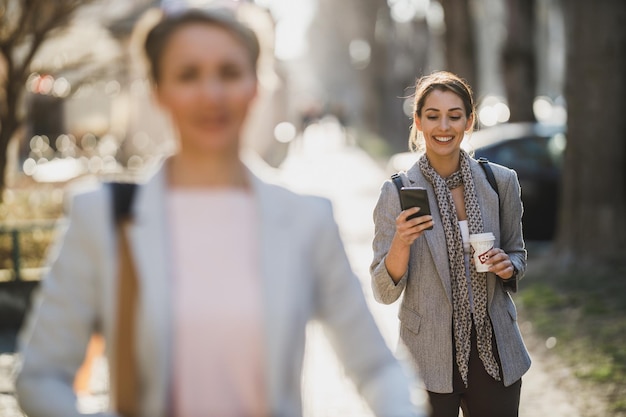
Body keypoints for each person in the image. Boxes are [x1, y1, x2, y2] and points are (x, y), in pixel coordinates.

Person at [14, 8, 424, 417]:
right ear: (158, 89)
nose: (211, 94)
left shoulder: (305, 220)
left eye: (229, 72)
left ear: (257, 84)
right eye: (188, 75)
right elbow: (40, 377)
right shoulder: (101, 216)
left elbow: (376, 369)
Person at [370, 71, 531, 417]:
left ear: (469, 122)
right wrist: (402, 241)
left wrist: (508, 265)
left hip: (494, 352)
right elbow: (383, 291)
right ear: (418, 121)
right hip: (426, 355)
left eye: (454, 116)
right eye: (433, 116)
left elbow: (517, 253)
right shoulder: (397, 192)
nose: (444, 126)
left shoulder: (500, 182)